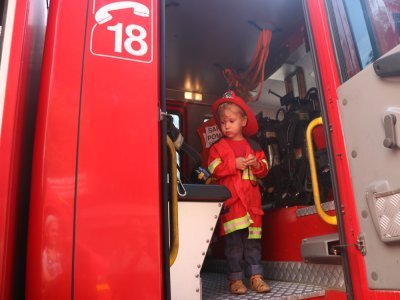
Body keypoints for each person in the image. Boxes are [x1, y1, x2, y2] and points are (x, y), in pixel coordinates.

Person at [208, 91, 271, 294]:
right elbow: (212, 169)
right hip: (232, 207)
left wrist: (257, 164)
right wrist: (232, 164)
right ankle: (235, 279)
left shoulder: (253, 146)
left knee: (253, 244)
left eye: (231, 121)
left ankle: (256, 277)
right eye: (222, 122)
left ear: (243, 121)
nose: (226, 125)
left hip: (252, 207)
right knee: (233, 246)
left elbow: (265, 168)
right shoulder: (216, 148)